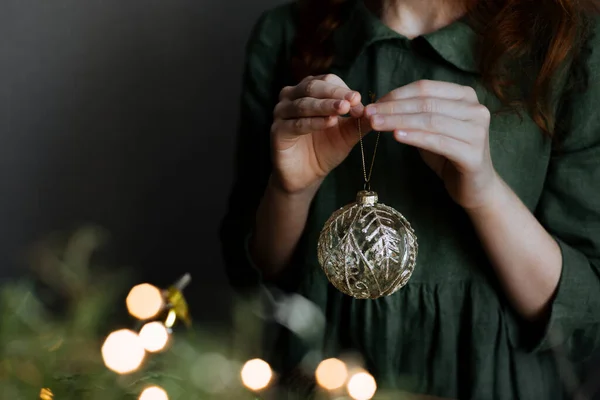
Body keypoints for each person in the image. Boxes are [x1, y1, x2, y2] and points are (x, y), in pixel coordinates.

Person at [219, 0, 600, 398]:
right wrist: (291, 189)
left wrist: (486, 193)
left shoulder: (571, 44)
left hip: (490, 383)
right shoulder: (287, 33)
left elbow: (584, 313)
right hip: (322, 378)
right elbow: (257, 277)